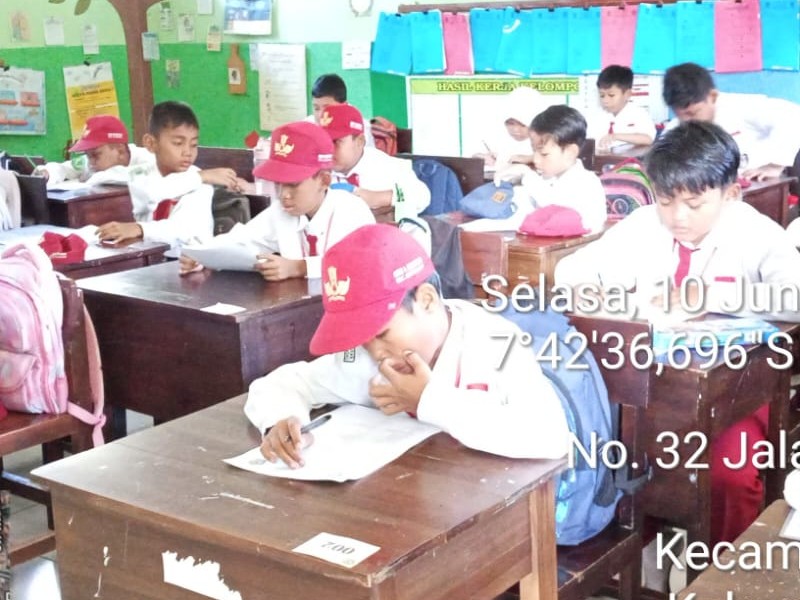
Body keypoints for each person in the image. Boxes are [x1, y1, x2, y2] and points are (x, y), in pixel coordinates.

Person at [556, 121, 800, 544]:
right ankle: (641, 547)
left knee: (727, 475)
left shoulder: (757, 233)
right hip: (650, 389)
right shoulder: (644, 225)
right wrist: (601, 296)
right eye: (666, 201)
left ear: (730, 194)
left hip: (735, 392)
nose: (678, 217)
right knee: (622, 460)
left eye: (694, 203)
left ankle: (724, 567)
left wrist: (710, 296)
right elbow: (571, 272)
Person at [244, 223, 569, 468]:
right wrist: (281, 419)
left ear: (426, 300)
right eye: (362, 340)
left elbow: (551, 437)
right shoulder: (363, 358)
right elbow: (285, 383)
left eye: (382, 334)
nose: (375, 353)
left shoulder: (497, 341)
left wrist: (428, 399)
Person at [179, 121, 374, 281]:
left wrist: (299, 267)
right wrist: (203, 256)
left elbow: (359, 264)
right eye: (279, 185)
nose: (284, 195)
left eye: (293, 185)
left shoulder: (351, 211)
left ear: (324, 180)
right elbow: (241, 240)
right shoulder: (280, 212)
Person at [95, 101, 237, 252]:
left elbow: (182, 230)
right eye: (178, 143)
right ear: (151, 143)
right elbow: (104, 179)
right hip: (151, 254)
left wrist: (140, 229)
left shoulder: (201, 185)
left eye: (193, 144)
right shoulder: (143, 173)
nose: (187, 152)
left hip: (190, 260)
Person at [662, 62, 800, 181]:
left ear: (712, 96)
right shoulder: (675, 126)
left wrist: (775, 165)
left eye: (692, 113)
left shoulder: (740, 106)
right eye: (679, 115)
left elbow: (794, 115)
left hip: (758, 183)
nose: (686, 121)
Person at [319, 103, 431, 218]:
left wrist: (376, 198)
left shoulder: (383, 165)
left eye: (335, 142)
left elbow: (422, 196)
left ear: (360, 141)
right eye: (324, 141)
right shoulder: (316, 170)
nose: (328, 148)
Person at [518, 105, 607, 233]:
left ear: (570, 152)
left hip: (578, 244)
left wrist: (527, 175)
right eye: (534, 151)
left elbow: (553, 209)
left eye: (544, 154)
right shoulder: (549, 178)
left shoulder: (586, 182)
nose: (536, 159)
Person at [34, 115, 155, 185]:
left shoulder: (151, 160)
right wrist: (46, 173)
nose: (91, 162)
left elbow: (122, 176)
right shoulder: (89, 162)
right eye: (88, 155)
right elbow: (62, 168)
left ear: (120, 151)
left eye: (96, 155)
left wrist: (90, 181)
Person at [475, 85, 546, 175]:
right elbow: (477, 157)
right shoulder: (496, 135)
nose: (515, 130)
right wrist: (479, 158)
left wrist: (531, 158)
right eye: (510, 123)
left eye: (522, 125)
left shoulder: (547, 138)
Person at [586, 65, 656, 151]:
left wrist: (615, 136)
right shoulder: (595, 116)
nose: (605, 100)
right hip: (600, 157)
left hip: (626, 158)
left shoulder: (639, 114)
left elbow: (648, 139)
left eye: (611, 95)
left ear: (627, 94)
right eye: (602, 95)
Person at [306, 73, 375, 148]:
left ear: (344, 106)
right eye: (316, 108)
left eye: (327, 109)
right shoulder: (306, 128)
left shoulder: (360, 129)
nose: (320, 115)